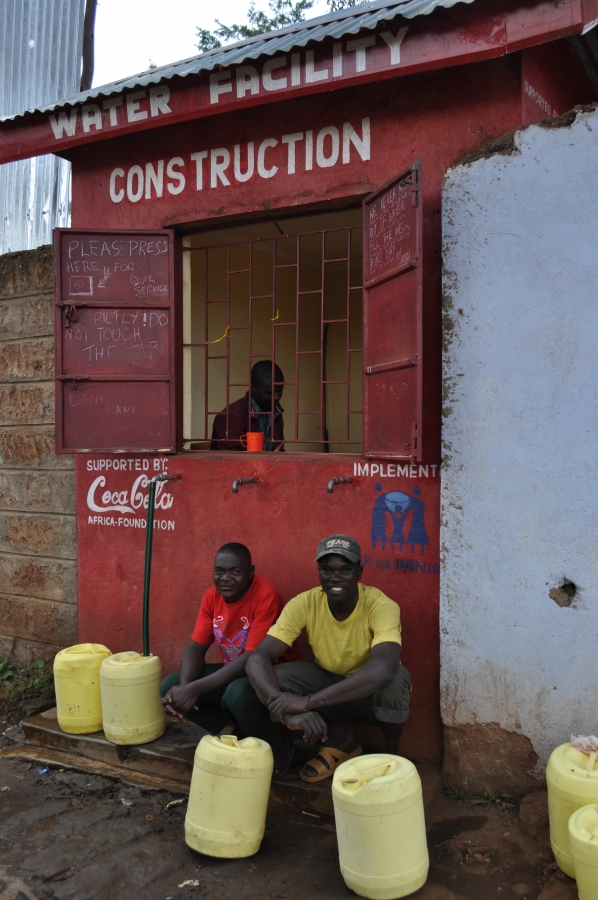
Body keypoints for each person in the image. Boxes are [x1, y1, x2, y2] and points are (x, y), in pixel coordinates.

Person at [246, 534, 412, 782]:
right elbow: (257, 659)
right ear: (319, 571)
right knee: (273, 676)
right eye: (327, 569)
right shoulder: (305, 603)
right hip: (327, 682)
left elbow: (385, 667)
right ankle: (337, 739)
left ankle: (392, 755)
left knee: (396, 678)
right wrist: (287, 711)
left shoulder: (381, 605)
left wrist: (307, 703)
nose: (335, 577)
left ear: (359, 572)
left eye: (345, 569)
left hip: (367, 694)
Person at [160, 543, 300, 743]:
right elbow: (195, 648)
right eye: (219, 572)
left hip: (271, 674)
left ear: (250, 572)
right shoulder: (212, 596)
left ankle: (277, 743)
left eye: (235, 572)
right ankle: (240, 727)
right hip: (234, 672)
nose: (225, 579)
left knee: (237, 693)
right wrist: (185, 689)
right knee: (169, 687)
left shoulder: (266, 596)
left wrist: (194, 689)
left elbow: (252, 659)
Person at [210, 360, 285, 451]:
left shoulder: (276, 411)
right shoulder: (231, 417)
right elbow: (231, 460)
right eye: (270, 392)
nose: (277, 397)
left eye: (280, 391)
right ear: (254, 388)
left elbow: (280, 451)